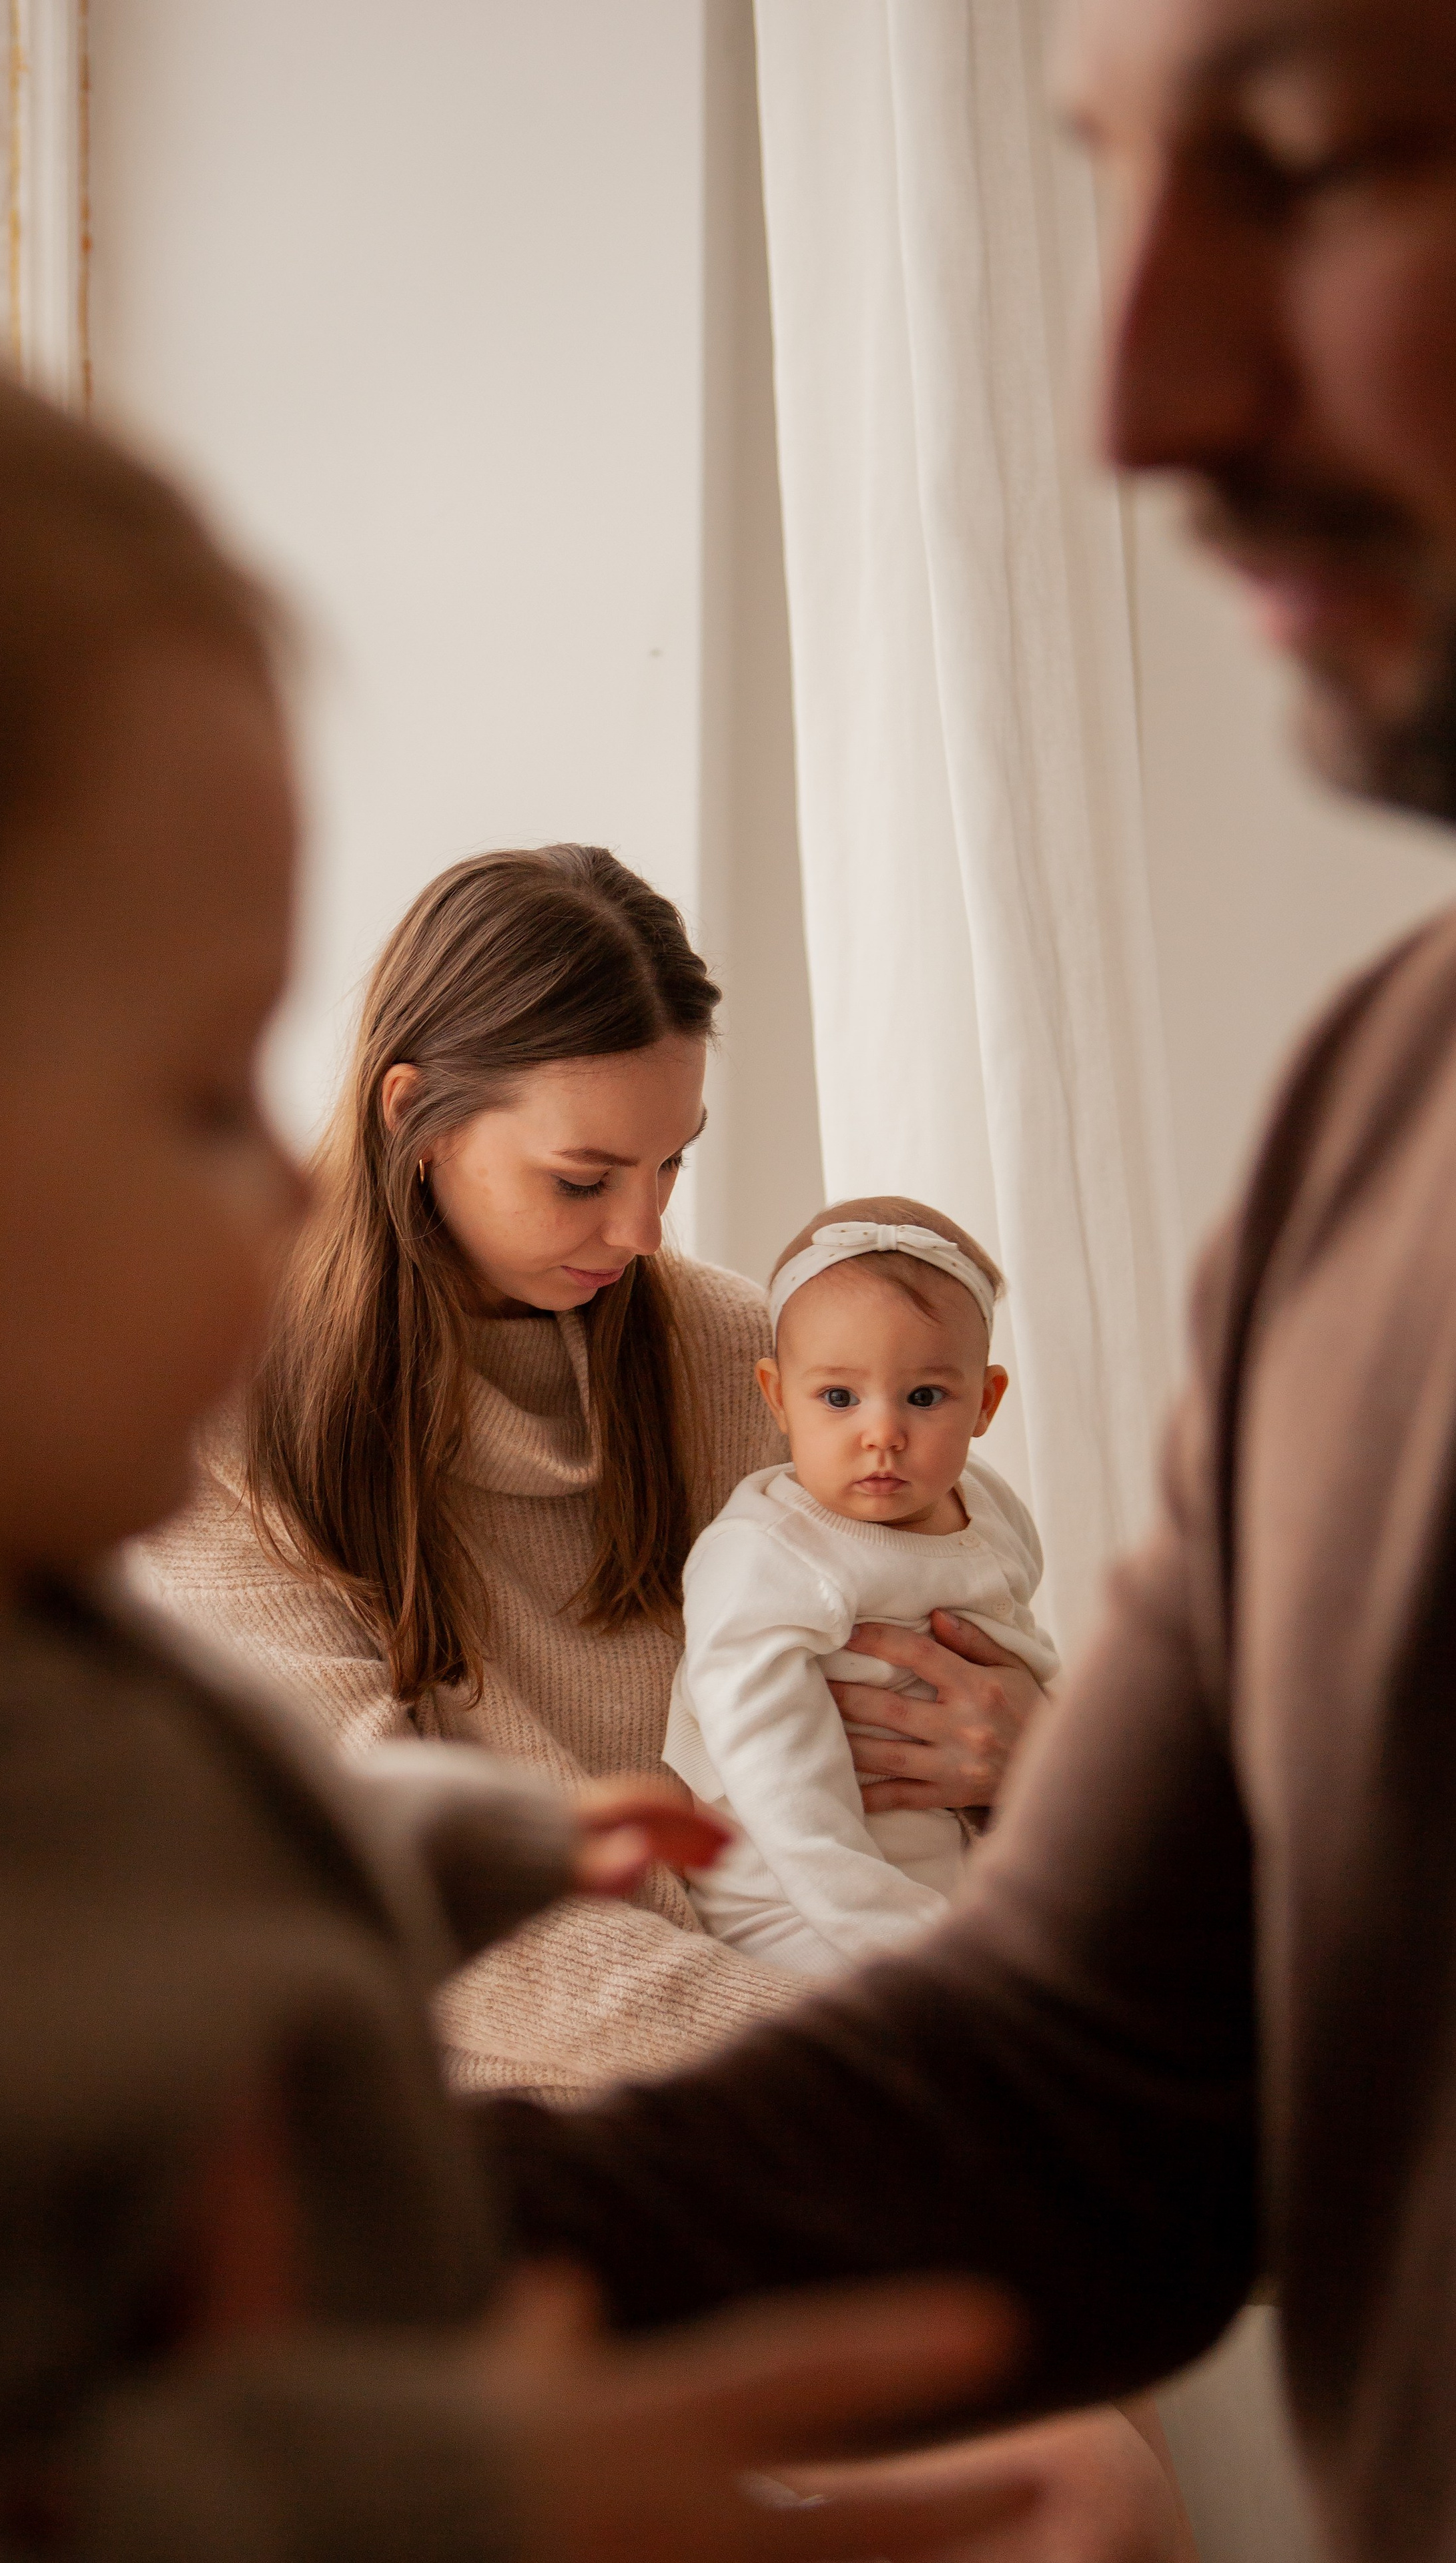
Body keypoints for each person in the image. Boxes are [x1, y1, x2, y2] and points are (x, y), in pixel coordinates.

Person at [0, 298, 1049, 2563]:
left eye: (675, 1173)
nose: (644, 1235)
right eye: (187, 1098)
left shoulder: (707, 1351)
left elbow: (286, 1838)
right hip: (534, 2168)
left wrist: (998, 1745)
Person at [477, 5, 1456, 2561]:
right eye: (1110, 186)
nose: (1124, 400)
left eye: (1314, 165)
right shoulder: (1381, 1128)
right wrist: (194, 2227)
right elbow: (1081, 2096)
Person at [134, 849, 1040, 2097]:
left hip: (857, 2046)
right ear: (416, 1118)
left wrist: (1035, 1755)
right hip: (521, 2113)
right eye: (584, 1179)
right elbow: (392, 1887)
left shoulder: (750, 1360)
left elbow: (956, 1681)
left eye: (674, 1162)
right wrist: (853, 2069)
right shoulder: (215, 1415)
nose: (644, 1230)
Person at [666, 1198, 1058, 1978]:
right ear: (777, 1397)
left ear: (984, 1402)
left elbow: (1021, 1643)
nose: (881, 1433)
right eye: (839, 1398)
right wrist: (919, 1947)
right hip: (801, 1897)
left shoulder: (986, 1502)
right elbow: (785, 1796)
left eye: (923, 1397)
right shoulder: (768, 1557)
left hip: (959, 1860)